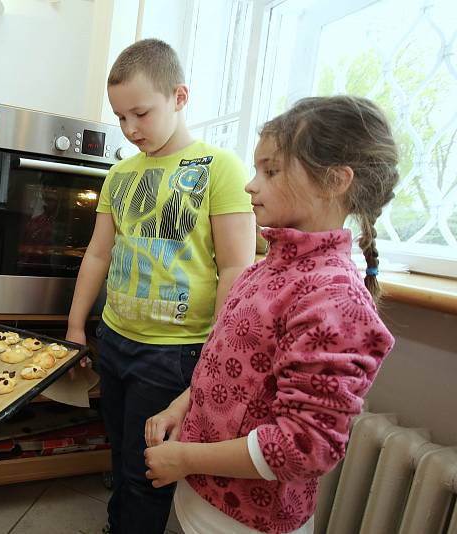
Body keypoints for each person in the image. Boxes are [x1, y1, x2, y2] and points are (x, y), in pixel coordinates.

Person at [143, 95, 399, 534]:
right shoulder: (268, 268)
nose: (250, 184)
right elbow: (226, 366)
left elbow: (303, 447)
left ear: (334, 181)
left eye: (271, 170)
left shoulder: (333, 299)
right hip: (204, 494)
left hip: (247, 519)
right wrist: (180, 406)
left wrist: (184, 458)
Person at [66, 39, 256, 533]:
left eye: (141, 113)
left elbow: (237, 269)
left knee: (145, 468)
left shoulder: (221, 168)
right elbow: (98, 254)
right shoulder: (120, 175)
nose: (129, 130)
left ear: (180, 97)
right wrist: (75, 326)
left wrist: (218, 348)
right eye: (120, 117)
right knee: (119, 453)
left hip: (173, 352)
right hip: (114, 338)